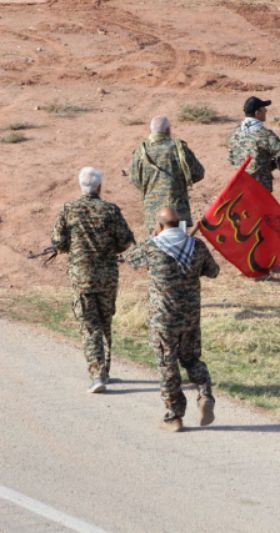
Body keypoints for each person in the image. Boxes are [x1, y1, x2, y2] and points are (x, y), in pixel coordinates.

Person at [124, 207, 220, 432]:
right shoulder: (196, 245)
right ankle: (205, 394)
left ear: (159, 225)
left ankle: (174, 416)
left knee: (167, 364)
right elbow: (213, 271)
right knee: (191, 358)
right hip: (190, 317)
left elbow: (131, 258)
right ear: (179, 225)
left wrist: (153, 238)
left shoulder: (152, 246)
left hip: (164, 319)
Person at [51, 167, 135, 393]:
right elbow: (125, 241)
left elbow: (58, 242)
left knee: (90, 326)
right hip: (107, 277)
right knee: (105, 322)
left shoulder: (69, 209)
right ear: (99, 187)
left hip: (82, 277)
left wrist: (73, 247)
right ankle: (103, 372)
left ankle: (97, 375)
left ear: (81, 186)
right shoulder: (111, 210)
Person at [129, 115, 205, 233]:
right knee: (178, 242)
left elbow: (134, 178)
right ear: (168, 130)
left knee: (156, 244)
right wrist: (180, 183)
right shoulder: (179, 148)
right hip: (177, 210)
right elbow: (198, 173)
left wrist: (151, 190)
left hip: (153, 212)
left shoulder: (141, 150)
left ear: (150, 130)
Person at [228, 95, 280, 192]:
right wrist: (271, 166)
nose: (266, 110)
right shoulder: (264, 134)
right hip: (261, 185)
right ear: (257, 113)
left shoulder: (234, 133)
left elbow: (231, 156)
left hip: (241, 183)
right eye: (263, 108)